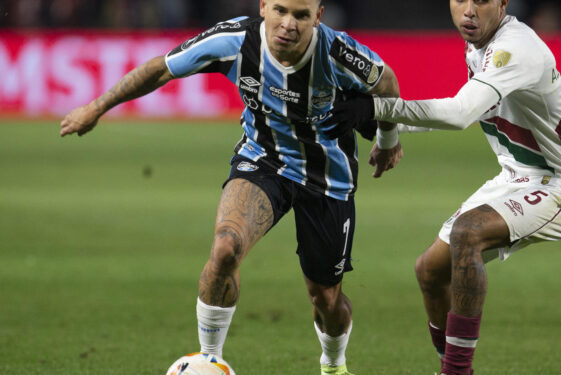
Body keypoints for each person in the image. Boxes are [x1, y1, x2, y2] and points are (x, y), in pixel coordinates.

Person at [59, 1, 402, 374]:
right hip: (263, 160)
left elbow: (387, 84)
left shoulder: (338, 54)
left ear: (317, 17)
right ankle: (210, 359)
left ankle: (333, 366)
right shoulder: (236, 40)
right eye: (280, 10)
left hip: (328, 179)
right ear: (264, 7)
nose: (288, 24)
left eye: (301, 16)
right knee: (225, 247)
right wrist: (96, 106)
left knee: (326, 299)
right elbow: (161, 69)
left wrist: (387, 140)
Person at [325, 1, 561, 374]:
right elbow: (476, 108)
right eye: (459, 0)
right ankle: (449, 368)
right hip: (515, 175)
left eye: (481, 1)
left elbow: (460, 113)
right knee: (430, 271)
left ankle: (456, 371)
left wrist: (378, 110)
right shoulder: (480, 46)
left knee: (468, 234)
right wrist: (395, 128)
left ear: (502, 4)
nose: (468, 10)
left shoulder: (515, 48)